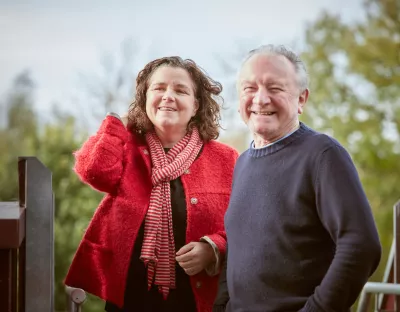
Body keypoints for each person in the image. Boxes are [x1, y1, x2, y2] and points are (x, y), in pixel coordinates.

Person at [213, 44, 382, 312]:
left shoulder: (323, 154)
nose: (260, 99)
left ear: (301, 99)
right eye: (250, 88)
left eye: (275, 88)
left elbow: (361, 245)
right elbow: (236, 249)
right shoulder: (243, 162)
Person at [64, 56, 239, 312]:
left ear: (196, 105)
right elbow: (93, 171)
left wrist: (214, 249)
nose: (168, 95)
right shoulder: (126, 149)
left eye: (180, 90)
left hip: (199, 303)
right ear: (145, 98)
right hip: (129, 302)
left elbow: (247, 227)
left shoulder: (226, 159)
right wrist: (117, 124)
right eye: (159, 88)